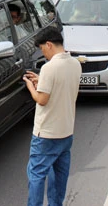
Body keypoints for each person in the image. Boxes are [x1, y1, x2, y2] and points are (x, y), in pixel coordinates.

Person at [22, 27, 81, 206]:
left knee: (37, 175)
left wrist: (31, 86)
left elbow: (42, 99)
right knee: (59, 175)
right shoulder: (75, 64)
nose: (43, 53)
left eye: (42, 49)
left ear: (49, 44)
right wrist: (41, 81)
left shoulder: (49, 68)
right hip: (66, 132)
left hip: (46, 134)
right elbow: (61, 86)